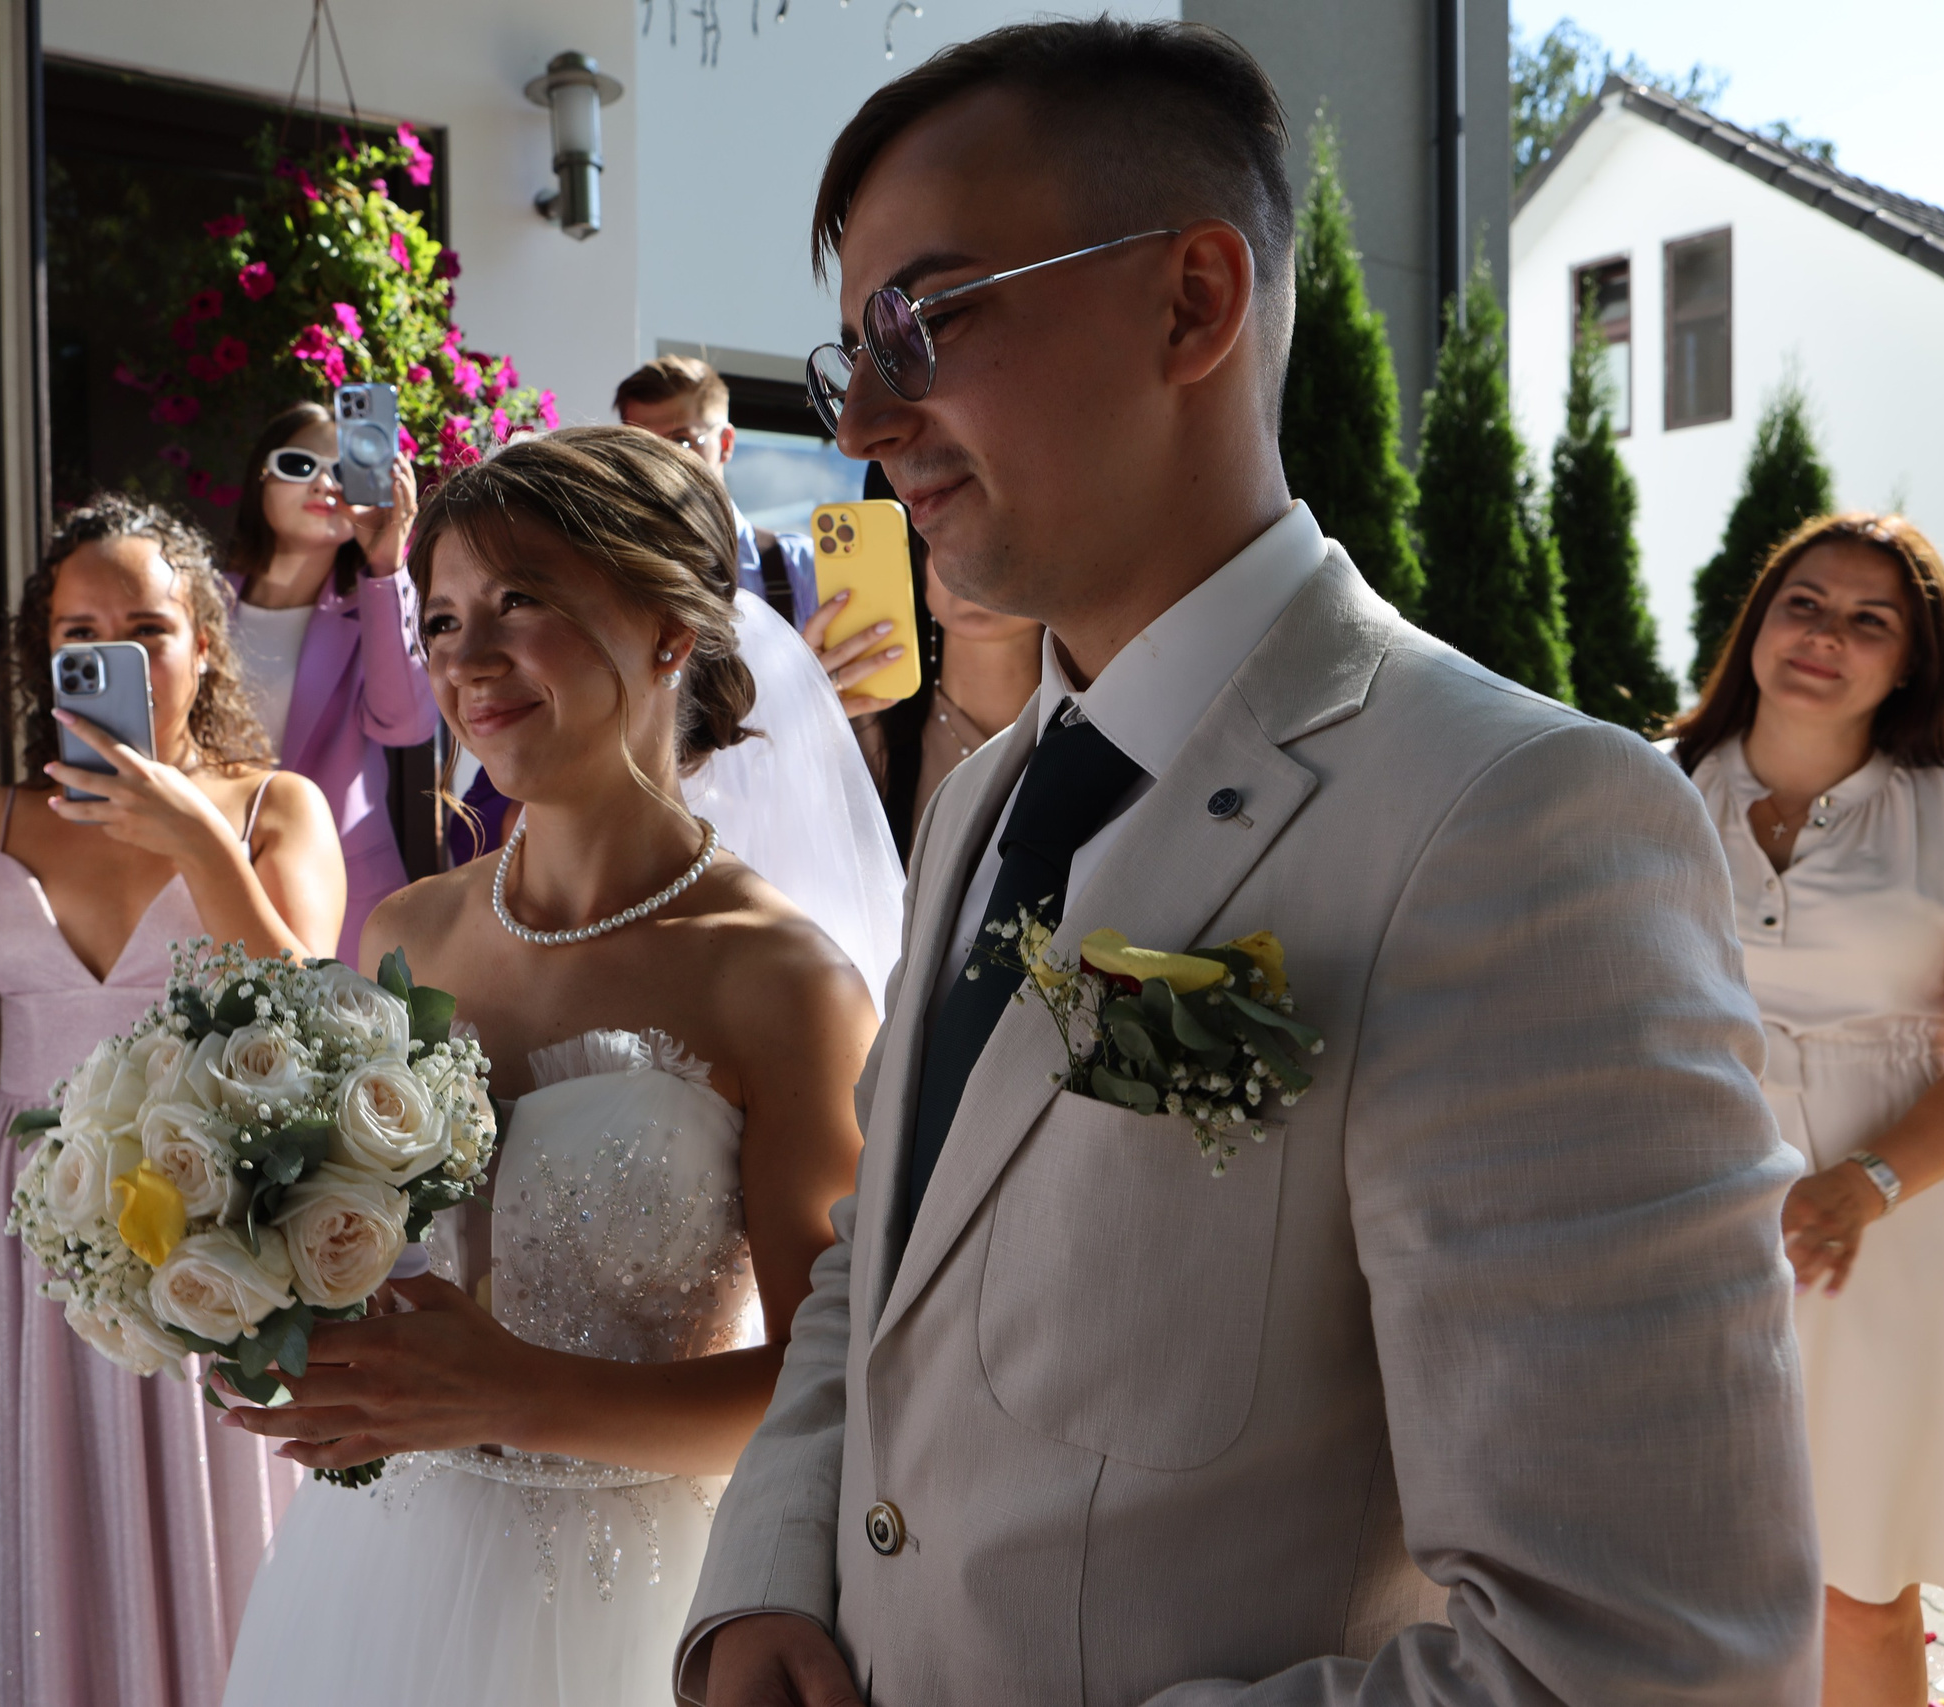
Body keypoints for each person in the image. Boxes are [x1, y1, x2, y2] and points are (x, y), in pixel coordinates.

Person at [685, 20, 1821, 1706]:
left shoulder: (1517, 826)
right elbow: (888, 1249)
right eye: (851, 344)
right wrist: (770, 1572)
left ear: (1193, 303)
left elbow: (1650, 1662)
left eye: (923, 321)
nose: (861, 413)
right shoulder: (985, 796)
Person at [215, 426, 878, 1706]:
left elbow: (828, 1388)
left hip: (624, 1604)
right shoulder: (411, 932)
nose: (467, 660)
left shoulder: (778, 981)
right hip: (373, 1578)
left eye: (521, 603)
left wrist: (516, 1395)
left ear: (668, 632)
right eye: (445, 615)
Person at [0, 494, 345, 1707]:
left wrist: (201, 844)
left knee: (213, 1545)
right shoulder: (0, 822)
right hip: (14, 1239)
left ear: (203, 643)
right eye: (82, 631)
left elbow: (315, 1026)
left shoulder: (272, 808)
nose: (118, 655)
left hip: (207, 1228)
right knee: (33, 1538)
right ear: (45, 656)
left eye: (149, 626)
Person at [1668, 513, 1944, 1705]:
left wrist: (1864, 1184)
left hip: (1890, 1221)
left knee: (1855, 1577)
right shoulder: (1645, 784)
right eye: (1803, 602)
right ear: (1757, 619)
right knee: (1669, 1556)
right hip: (1678, 1206)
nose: (1823, 636)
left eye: (1868, 620)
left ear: (1913, 660)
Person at [224, 402, 440, 963]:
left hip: (343, 898)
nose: (325, 481)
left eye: (344, 471)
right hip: (212, 878)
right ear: (260, 477)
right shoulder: (198, 604)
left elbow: (408, 724)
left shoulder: (374, 606)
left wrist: (388, 560)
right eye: (300, 464)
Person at [837, 465, 1042, 863]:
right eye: (939, 525)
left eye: (1003, 523)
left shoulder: (1112, 735)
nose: (973, 558)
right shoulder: (858, 742)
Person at [614, 355, 820, 627]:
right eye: (642, 446)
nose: (661, 461)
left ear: (725, 443)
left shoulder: (804, 568)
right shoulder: (612, 571)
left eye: (681, 441)